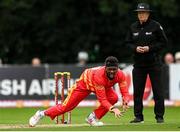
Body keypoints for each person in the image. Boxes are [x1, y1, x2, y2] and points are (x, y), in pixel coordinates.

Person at [29, 56, 130, 127]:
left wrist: (126, 101)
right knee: (66, 107)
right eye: (110, 69)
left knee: (114, 98)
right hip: (84, 83)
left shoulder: (120, 74)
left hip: (103, 86)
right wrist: (113, 109)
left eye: (114, 69)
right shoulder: (100, 76)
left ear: (117, 68)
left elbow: (125, 91)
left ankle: (92, 118)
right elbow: (102, 99)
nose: (112, 71)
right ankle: (40, 114)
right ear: (105, 68)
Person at [125, 3, 168, 123]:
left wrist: (150, 48)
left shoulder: (155, 26)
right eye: (139, 13)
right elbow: (127, 43)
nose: (141, 15)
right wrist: (135, 48)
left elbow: (164, 42)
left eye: (143, 12)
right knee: (137, 92)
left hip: (154, 64)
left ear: (148, 13)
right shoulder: (133, 27)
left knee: (158, 91)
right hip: (138, 65)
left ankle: (159, 116)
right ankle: (138, 116)